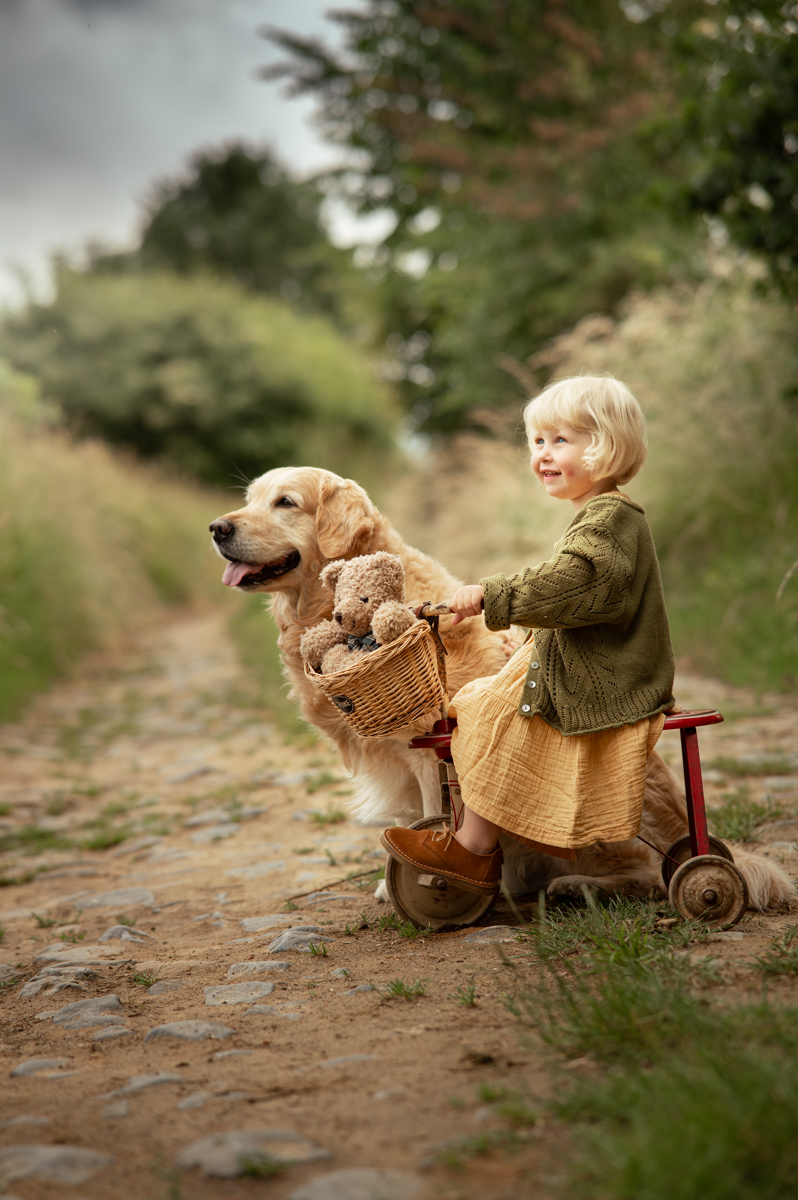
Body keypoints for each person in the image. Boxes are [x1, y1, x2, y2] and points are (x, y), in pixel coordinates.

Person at [381, 374, 675, 894]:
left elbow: (576, 586)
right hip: (598, 665)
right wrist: (534, 641)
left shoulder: (609, 522)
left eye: (561, 440)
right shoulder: (598, 517)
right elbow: (584, 606)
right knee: (478, 700)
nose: (542, 454)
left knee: (501, 717)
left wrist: (491, 596)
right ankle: (478, 839)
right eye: (537, 442)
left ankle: (474, 848)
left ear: (604, 447)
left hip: (613, 680)